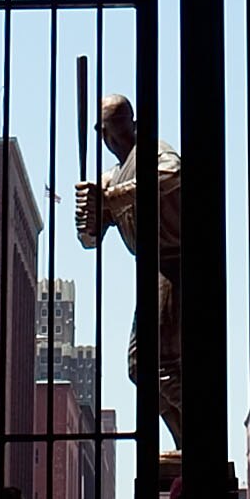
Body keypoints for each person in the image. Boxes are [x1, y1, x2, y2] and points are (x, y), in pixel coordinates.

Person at [72, 91, 187, 448]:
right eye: (111, 130)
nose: (118, 138)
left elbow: (175, 172)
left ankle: (198, 434)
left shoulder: (153, 152)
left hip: (175, 264)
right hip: (150, 270)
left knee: (162, 363)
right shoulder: (109, 178)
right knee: (142, 367)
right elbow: (90, 241)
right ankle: (185, 439)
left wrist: (113, 197)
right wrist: (87, 214)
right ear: (103, 135)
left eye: (123, 127)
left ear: (134, 124)